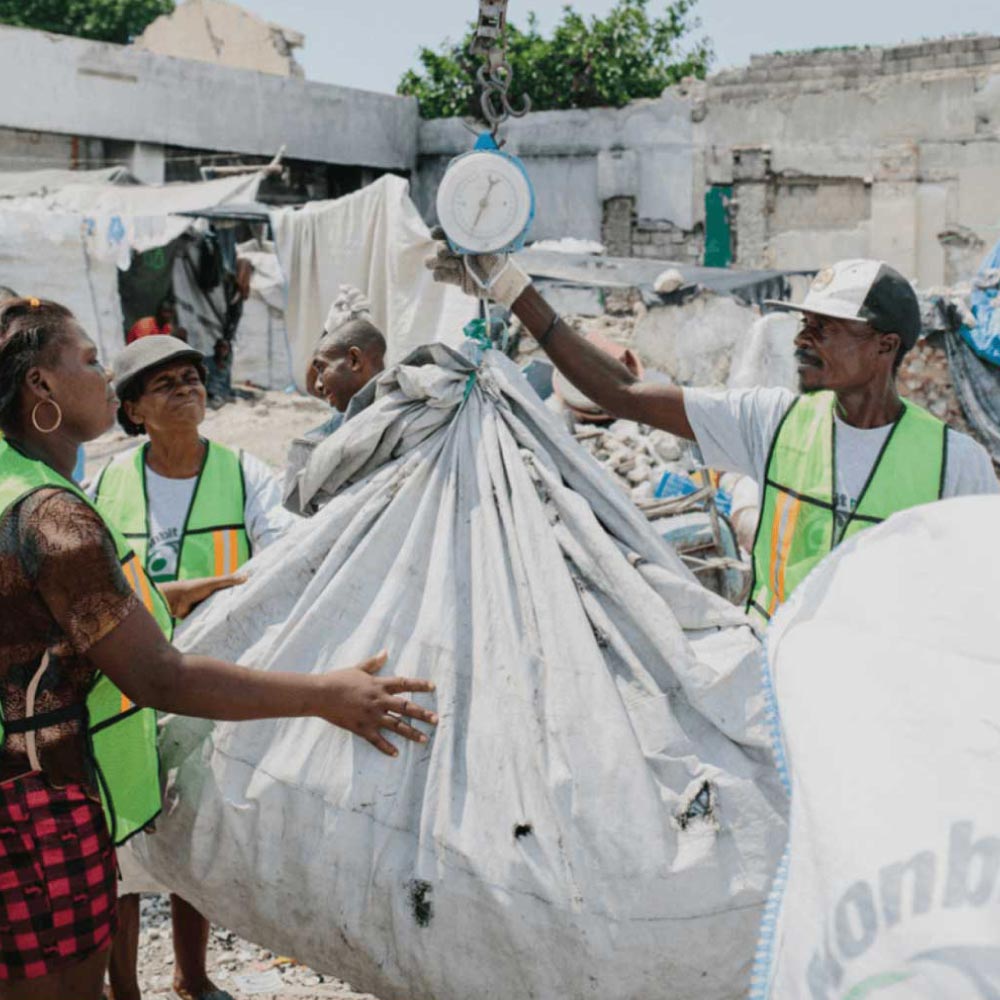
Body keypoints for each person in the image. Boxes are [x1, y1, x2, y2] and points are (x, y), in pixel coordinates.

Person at [0, 296, 437, 1000]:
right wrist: (327, 696)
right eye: (89, 360)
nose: (105, 375)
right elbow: (159, 677)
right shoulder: (59, 513)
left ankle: (186, 976)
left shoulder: (14, 484)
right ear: (40, 388)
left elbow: (50, 618)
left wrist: (169, 597)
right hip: (41, 813)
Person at [427, 241, 999, 626]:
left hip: (881, 701)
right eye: (803, 323)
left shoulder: (957, 464)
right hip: (775, 675)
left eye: (825, 328)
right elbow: (623, 395)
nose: (803, 338)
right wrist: (512, 289)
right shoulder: (772, 422)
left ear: (885, 346)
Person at [89, 336, 298, 1000]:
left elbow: (284, 558)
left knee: (194, 827)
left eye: (192, 377)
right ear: (133, 410)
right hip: (125, 683)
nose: (187, 389)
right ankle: (125, 988)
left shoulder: (246, 474)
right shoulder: (104, 483)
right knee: (123, 839)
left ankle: (192, 975)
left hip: (208, 679)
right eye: (165, 383)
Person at [203, 337, 234, 407]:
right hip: (208, 396)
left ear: (228, 351)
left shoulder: (227, 367)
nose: (222, 350)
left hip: (221, 396)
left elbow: (227, 385)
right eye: (220, 346)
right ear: (215, 348)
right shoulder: (205, 362)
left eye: (225, 348)